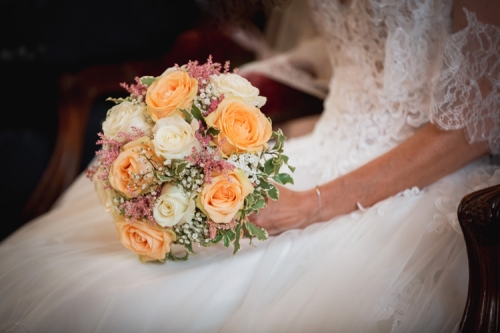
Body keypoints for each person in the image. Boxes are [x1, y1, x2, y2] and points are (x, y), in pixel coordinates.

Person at [0, 0, 499, 332]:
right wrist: (208, 98)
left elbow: (478, 120)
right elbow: (342, 54)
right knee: (92, 270)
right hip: (324, 142)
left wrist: (312, 205)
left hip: (419, 175)